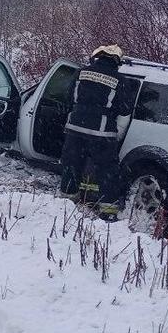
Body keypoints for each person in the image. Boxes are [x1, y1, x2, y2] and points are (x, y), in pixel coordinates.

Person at [59, 44, 140, 217]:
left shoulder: (81, 73)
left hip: (75, 129)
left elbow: (67, 98)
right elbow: (125, 109)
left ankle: (66, 203)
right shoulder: (120, 80)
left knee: (71, 165)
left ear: (98, 57)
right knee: (107, 171)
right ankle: (108, 211)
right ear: (117, 61)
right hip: (102, 134)